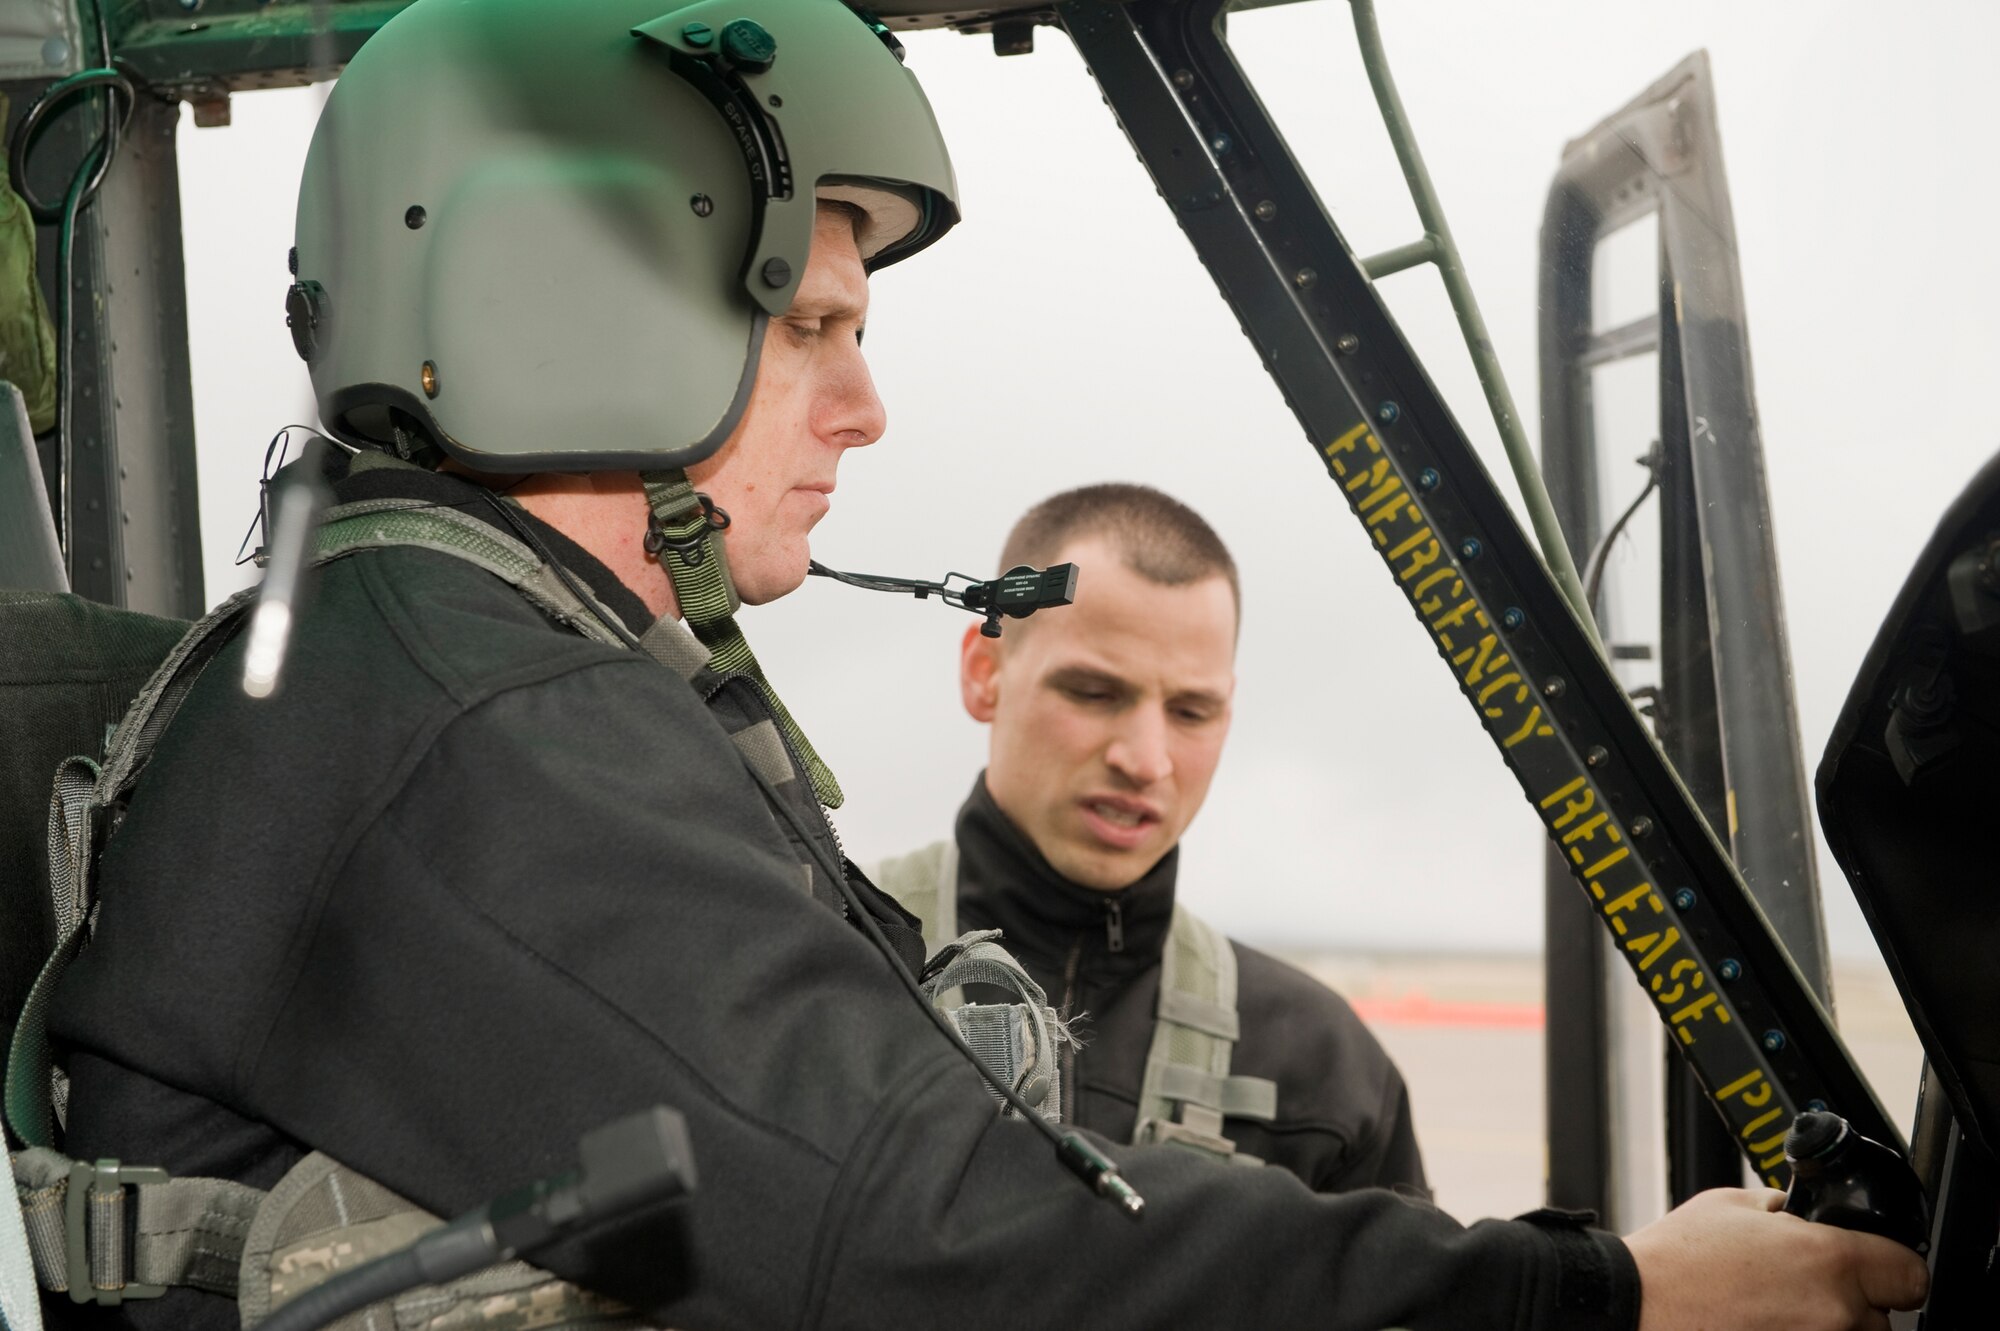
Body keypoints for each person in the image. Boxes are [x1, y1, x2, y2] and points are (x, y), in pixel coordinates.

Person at [35, 1, 1927, 1328]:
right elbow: (919, 1243)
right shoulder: (467, 715)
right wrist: (1603, 1295)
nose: (866, 409)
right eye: (819, 327)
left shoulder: (442, 659)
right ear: (575, 303)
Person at [873, 484, 1426, 1192]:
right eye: (1094, 693)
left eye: (1191, 710)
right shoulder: (821, 945)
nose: (1145, 759)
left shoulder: (1325, 1069)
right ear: (986, 674)